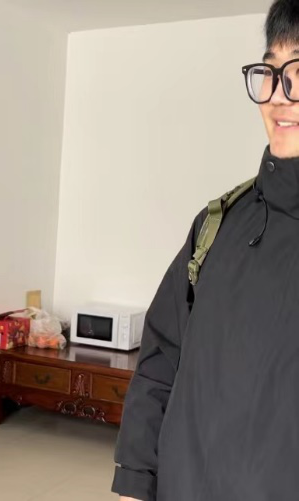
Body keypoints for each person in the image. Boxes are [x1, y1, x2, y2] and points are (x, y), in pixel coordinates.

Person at [112, 1, 299, 500]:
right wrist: (135, 483)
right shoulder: (216, 225)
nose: (278, 95)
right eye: (271, 71)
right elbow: (160, 361)